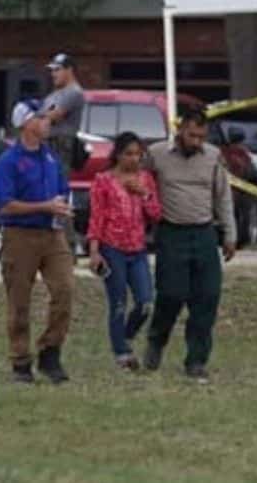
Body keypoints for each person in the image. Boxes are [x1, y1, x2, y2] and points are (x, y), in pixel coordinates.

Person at [144, 109, 236, 382]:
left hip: (204, 232)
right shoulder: (157, 154)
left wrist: (229, 233)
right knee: (171, 294)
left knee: (206, 298)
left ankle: (196, 360)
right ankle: (156, 341)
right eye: (192, 135)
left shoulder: (212, 156)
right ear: (180, 129)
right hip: (172, 233)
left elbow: (223, 196)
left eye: (201, 136)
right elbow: (140, 182)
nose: (196, 141)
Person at [0, 99, 75, 384]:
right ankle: (20, 361)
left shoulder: (50, 157)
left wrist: (62, 205)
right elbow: (5, 205)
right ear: (25, 123)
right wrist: (43, 206)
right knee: (19, 302)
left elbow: (62, 188)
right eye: (40, 118)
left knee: (64, 289)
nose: (46, 122)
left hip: (53, 234)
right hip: (20, 236)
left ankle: (50, 351)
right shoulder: (9, 162)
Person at [87, 132, 161, 370]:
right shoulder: (104, 181)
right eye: (128, 154)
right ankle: (121, 352)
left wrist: (144, 194)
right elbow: (97, 217)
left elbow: (156, 214)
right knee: (118, 302)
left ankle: (126, 335)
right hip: (112, 248)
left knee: (145, 302)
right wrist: (95, 250)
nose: (134, 159)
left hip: (137, 249)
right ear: (118, 155)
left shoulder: (146, 179)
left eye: (138, 154)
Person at [42, 53, 86, 175]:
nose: (53, 74)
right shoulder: (55, 93)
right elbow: (41, 114)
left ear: (69, 70)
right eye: (52, 70)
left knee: (57, 181)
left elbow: (53, 116)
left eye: (57, 70)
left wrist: (40, 115)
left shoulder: (73, 92)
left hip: (61, 144)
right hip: (48, 143)